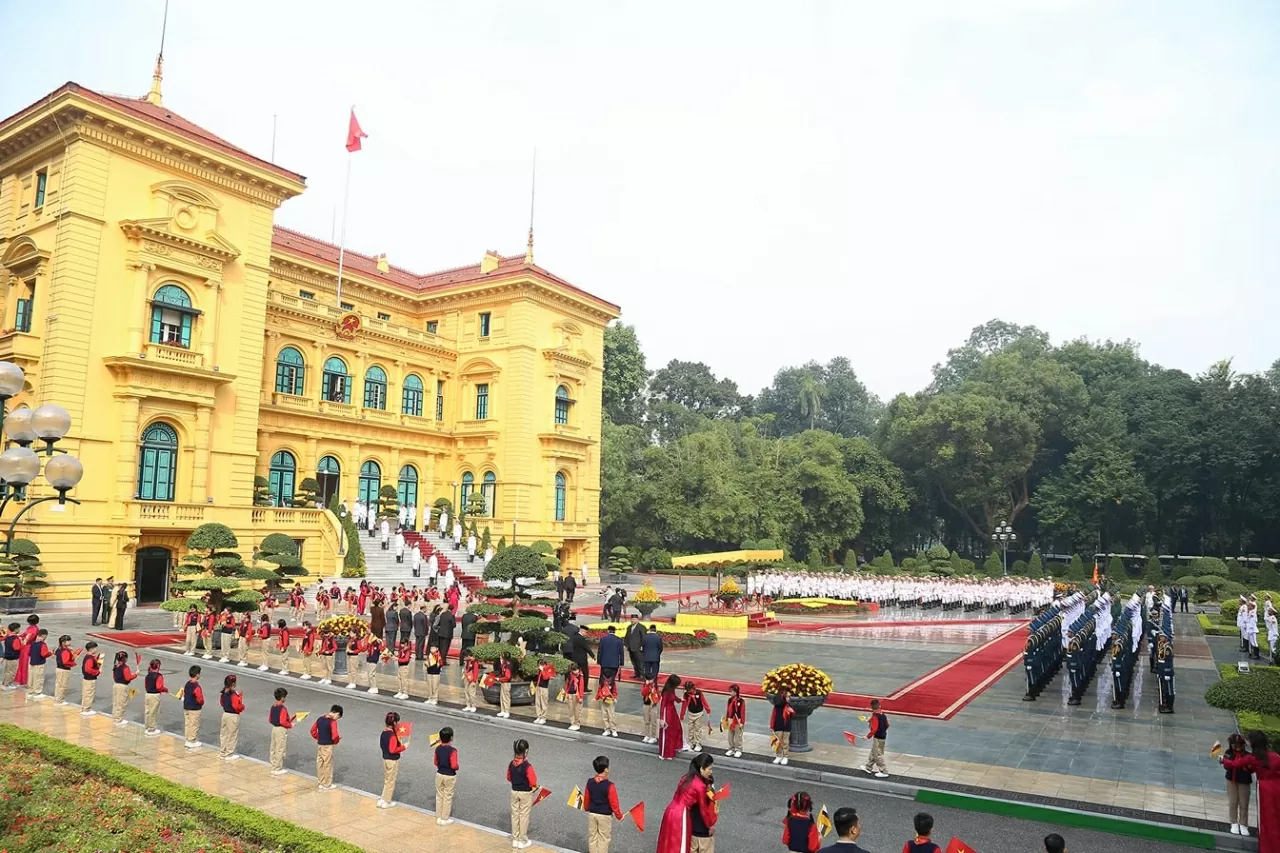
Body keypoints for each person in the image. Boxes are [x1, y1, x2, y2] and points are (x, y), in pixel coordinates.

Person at [1223, 730, 1278, 850]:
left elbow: (1235, 764)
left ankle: (1267, 846)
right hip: (1277, 787)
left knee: (1264, 816)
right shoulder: (1275, 756)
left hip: (1264, 789)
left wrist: (1223, 760)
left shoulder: (1252, 757)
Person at [656, 753, 718, 853]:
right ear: (702, 769)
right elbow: (703, 809)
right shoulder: (700, 786)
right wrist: (710, 825)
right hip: (682, 814)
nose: (711, 772)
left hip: (671, 810)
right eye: (709, 769)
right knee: (681, 846)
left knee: (668, 842)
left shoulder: (686, 777)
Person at [586, 755, 624, 853]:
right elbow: (614, 803)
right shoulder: (610, 786)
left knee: (592, 836)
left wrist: (587, 808)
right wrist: (619, 816)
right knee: (603, 838)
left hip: (592, 813)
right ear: (606, 769)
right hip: (605, 815)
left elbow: (587, 798)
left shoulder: (590, 782)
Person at [507, 738, 538, 850]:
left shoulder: (511, 764)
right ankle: (522, 839)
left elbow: (509, 777)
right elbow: (533, 782)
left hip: (514, 791)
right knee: (524, 815)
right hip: (525, 793)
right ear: (526, 751)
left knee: (515, 814)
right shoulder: (527, 766)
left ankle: (515, 839)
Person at [378, 711, 409, 809]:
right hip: (392, 760)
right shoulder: (392, 735)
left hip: (385, 758)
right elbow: (393, 749)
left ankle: (382, 798)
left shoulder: (384, 733)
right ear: (395, 723)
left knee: (387, 780)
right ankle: (387, 801)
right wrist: (404, 747)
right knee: (391, 781)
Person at [311, 704, 343, 790]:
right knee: (328, 764)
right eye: (338, 717)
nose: (337, 719)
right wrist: (336, 741)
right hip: (328, 745)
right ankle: (327, 784)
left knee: (320, 763)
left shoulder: (320, 719)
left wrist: (319, 737)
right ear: (337, 714)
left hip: (320, 744)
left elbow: (312, 731)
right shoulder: (332, 722)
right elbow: (335, 736)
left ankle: (320, 782)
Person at [434, 725, 458, 825]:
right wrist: (457, 767)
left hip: (439, 773)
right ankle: (444, 818)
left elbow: (435, 762)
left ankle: (438, 815)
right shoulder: (453, 751)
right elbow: (454, 765)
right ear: (451, 738)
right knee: (447, 796)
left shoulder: (437, 749)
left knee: (439, 795)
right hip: (449, 775)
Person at [268, 687, 295, 775]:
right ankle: (278, 768)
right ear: (282, 697)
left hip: (274, 729)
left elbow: (270, 719)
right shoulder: (283, 709)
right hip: (281, 730)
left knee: (273, 748)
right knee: (280, 749)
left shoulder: (273, 706)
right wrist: (290, 725)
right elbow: (283, 721)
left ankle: (273, 766)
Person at [219, 673, 245, 760]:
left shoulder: (223, 693)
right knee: (232, 735)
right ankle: (229, 754)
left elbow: (222, 703)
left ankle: (223, 752)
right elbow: (237, 707)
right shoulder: (233, 694)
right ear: (233, 683)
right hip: (233, 716)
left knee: (224, 734)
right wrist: (242, 705)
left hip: (225, 714)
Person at [862, 699, 890, 778]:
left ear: (872, 708)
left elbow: (874, 729)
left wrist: (867, 737)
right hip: (883, 736)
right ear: (879, 706)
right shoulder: (883, 715)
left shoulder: (875, 717)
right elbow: (887, 725)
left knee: (878, 754)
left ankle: (884, 771)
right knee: (874, 752)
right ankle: (868, 767)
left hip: (877, 737)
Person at [658, 673, 683, 760]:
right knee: (667, 733)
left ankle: (671, 751)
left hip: (672, 712)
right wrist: (661, 719)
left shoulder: (671, 690)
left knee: (674, 731)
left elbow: (674, 697)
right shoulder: (666, 693)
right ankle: (664, 753)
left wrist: (680, 700)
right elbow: (662, 705)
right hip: (666, 713)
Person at [24, 629, 52, 700]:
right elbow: (44, 654)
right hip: (39, 663)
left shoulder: (32, 643)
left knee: (31, 677)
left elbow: (29, 653)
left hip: (32, 663)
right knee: (39, 678)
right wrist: (50, 653)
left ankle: (30, 692)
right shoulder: (43, 644)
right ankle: (37, 692)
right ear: (44, 636)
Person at [110, 650, 136, 725]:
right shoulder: (125, 667)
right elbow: (128, 678)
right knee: (121, 703)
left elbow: (114, 677)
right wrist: (135, 674)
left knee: (116, 702)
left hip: (115, 685)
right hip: (122, 686)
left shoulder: (115, 666)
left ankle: (115, 717)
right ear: (125, 659)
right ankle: (118, 719)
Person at [53, 635, 80, 705]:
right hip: (64, 670)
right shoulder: (65, 651)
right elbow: (65, 662)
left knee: (58, 685)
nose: (70, 642)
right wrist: (73, 663)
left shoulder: (59, 648)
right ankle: (59, 700)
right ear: (64, 642)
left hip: (58, 668)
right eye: (69, 641)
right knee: (62, 685)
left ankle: (57, 698)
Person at [183, 665, 205, 749]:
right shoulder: (196, 686)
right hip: (194, 708)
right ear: (197, 675)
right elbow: (199, 698)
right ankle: (192, 741)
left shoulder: (187, 684)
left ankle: (187, 739)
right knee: (194, 724)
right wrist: (201, 703)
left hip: (186, 706)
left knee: (188, 724)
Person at [14, 614, 38, 687]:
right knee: (23, 662)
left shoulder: (32, 629)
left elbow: (28, 638)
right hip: (26, 646)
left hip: (28, 647)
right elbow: (25, 635)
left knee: (25, 663)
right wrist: (19, 636)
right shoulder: (33, 628)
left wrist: (21, 638)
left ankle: (24, 680)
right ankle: (23, 680)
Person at [143, 659, 167, 735]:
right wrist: (165, 689)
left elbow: (145, 686)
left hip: (147, 694)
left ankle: (147, 727)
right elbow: (159, 687)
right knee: (153, 712)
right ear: (158, 666)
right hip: (155, 695)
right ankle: (151, 729)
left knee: (148, 711)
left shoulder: (147, 675)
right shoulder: (159, 676)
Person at [771, 689, 794, 765]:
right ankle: (778, 756)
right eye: (787, 697)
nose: (789, 698)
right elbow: (773, 716)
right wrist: (772, 726)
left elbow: (792, 715)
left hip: (786, 726)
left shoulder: (789, 706)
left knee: (785, 742)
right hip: (778, 726)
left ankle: (785, 756)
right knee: (778, 742)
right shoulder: (777, 707)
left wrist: (792, 712)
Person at [79, 641, 102, 716]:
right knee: (89, 694)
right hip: (90, 679)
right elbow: (88, 669)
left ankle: (84, 708)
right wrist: (97, 671)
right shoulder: (90, 659)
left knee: (86, 694)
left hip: (86, 678)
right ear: (91, 649)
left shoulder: (89, 657)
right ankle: (87, 709)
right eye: (95, 648)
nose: (96, 650)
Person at [724, 684, 746, 757]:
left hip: (738, 720)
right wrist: (726, 719)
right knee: (730, 735)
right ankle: (731, 748)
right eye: (730, 691)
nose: (730, 693)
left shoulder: (741, 701)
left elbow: (743, 712)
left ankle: (738, 749)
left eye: (732, 691)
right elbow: (728, 710)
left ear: (736, 692)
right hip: (731, 719)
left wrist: (742, 722)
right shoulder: (729, 700)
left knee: (738, 736)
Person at [533, 657, 556, 724]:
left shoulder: (547, 670)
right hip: (538, 687)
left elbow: (546, 677)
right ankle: (538, 716)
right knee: (537, 702)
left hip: (544, 688)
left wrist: (543, 670)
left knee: (543, 703)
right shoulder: (540, 670)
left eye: (541, 665)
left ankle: (543, 717)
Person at [597, 672, 620, 737]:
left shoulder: (613, 683)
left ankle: (613, 730)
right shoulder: (602, 683)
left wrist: (615, 698)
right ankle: (607, 729)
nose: (607, 680)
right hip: (603, 700)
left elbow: (615, 691)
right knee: (604, 716)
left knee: (611, 716)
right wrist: (598, 697)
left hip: (610, 701)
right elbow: (599, 691)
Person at [565, 661, 586, 730]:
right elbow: (567, 684)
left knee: (577, 710)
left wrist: (581, 697)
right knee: (570, 710)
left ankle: (577, 723)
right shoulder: (569, 676)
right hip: (570, 694)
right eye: (574, 670)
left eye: (577, 669)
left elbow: (581, 687)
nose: (576, 671)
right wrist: (566, 693)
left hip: (577, 695)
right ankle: (572, 723)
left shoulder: (580, 676)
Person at [2, 622, 23, 689]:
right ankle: (7, 684)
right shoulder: (15, 639)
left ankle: (5, 682)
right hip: (13, 658)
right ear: (16, 629)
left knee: (7, 671)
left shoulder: (7, 637)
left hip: (7, 656)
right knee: (12, 672)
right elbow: (16, 648)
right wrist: (22, 644)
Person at [641, 676, 660, 744]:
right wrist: (646, 685)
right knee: (646, 721)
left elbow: (658, 696)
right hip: (646, 704)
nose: (649, 680)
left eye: (650, 679)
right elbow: (643, 693)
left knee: (653, 721)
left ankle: (653, 736)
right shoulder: (644, 685)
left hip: (653, 705)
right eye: (648, 679)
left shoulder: (655, 687)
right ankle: (647, 735)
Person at [497, 651, 515, 718]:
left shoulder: (508, 665)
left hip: (506, 683)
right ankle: (503, 710)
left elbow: (507, 677)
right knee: (502, 697)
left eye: (501, 656)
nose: (500, 657)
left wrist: (500, 679)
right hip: (503, 683)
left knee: (506, 698)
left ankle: (507, 711)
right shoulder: (504, 664)